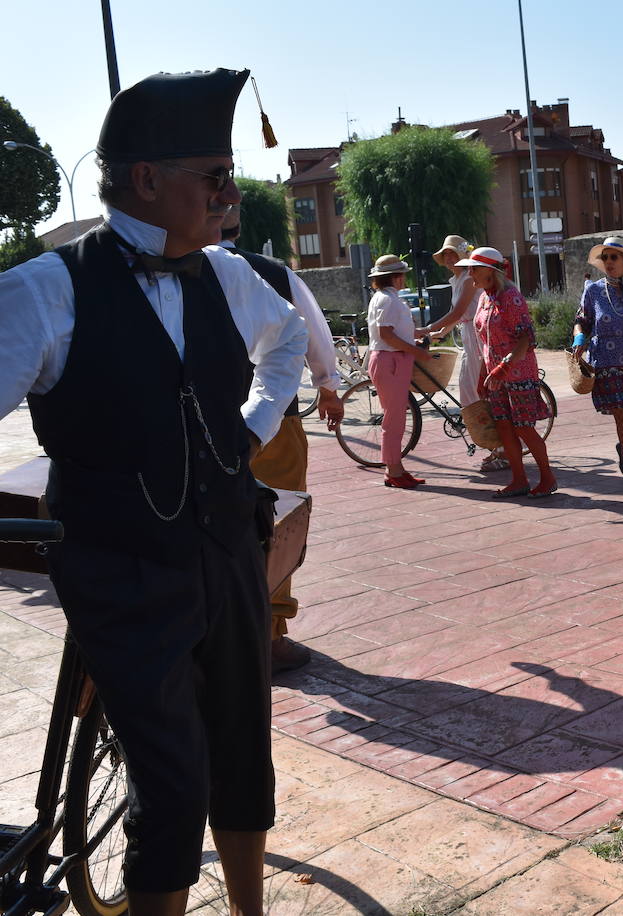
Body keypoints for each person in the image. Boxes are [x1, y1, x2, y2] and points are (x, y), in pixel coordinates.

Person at [0, 68, 307, 916]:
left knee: (244, 752)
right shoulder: (45, 289)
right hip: (121, 569)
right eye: (215, 176)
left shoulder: (227, 276)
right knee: (171, 778)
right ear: (147, 180)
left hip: (226, 548)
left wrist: (250, 427)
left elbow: (287, 345)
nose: (231, 195)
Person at [220, 203, 343, 673]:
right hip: (271, 423)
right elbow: (311, 331)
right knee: (276, 525)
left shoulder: (166, 270)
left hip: (193, 424)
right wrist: (327, 386)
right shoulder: (269, 271)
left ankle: (218, 632)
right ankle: (267, 636)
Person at [457, 246, 557, 498]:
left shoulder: (511, 297)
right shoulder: (484, 297)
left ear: (490, 271)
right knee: (504, 427)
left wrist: (503, 367)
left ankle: (547, 478)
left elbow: (526, 338)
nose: (470, 274)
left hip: (518, 373)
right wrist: (484, 373)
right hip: (496, 375)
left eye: (474, 269)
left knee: (523, 427)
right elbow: (485, 340)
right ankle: (519, 479)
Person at [419, 234, 506, 473]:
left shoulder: (469, 278)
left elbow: (458, 313)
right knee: (470, 389)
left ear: (462, 255)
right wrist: (436, 334)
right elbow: (456, 316)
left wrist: (427, 329)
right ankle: (494, 444)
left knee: (477, 390)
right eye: (445, 254)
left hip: (478, 336)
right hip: (469, 334)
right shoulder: (457, 279)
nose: (448, 258)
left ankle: (501, 446)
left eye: (452, 253)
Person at [573, 237, 623, 491]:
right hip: (606, 364)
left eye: (613, 257)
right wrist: (578, 336)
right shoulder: (593, 290)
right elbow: (582, 320)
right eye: (605, 257)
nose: (608, 262)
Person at [365, 254, 431, 488]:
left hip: (390, 359)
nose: (404, 279)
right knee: (394, 419)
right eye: (402, 275)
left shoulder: (383, 298)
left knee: (396, 417)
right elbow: (387, 335)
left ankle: (396, 468)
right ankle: (393, 469)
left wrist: (419, 333)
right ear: (395, 277)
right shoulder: (389, 300)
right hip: (390, 360)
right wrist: (417, 352)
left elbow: (390, 331)